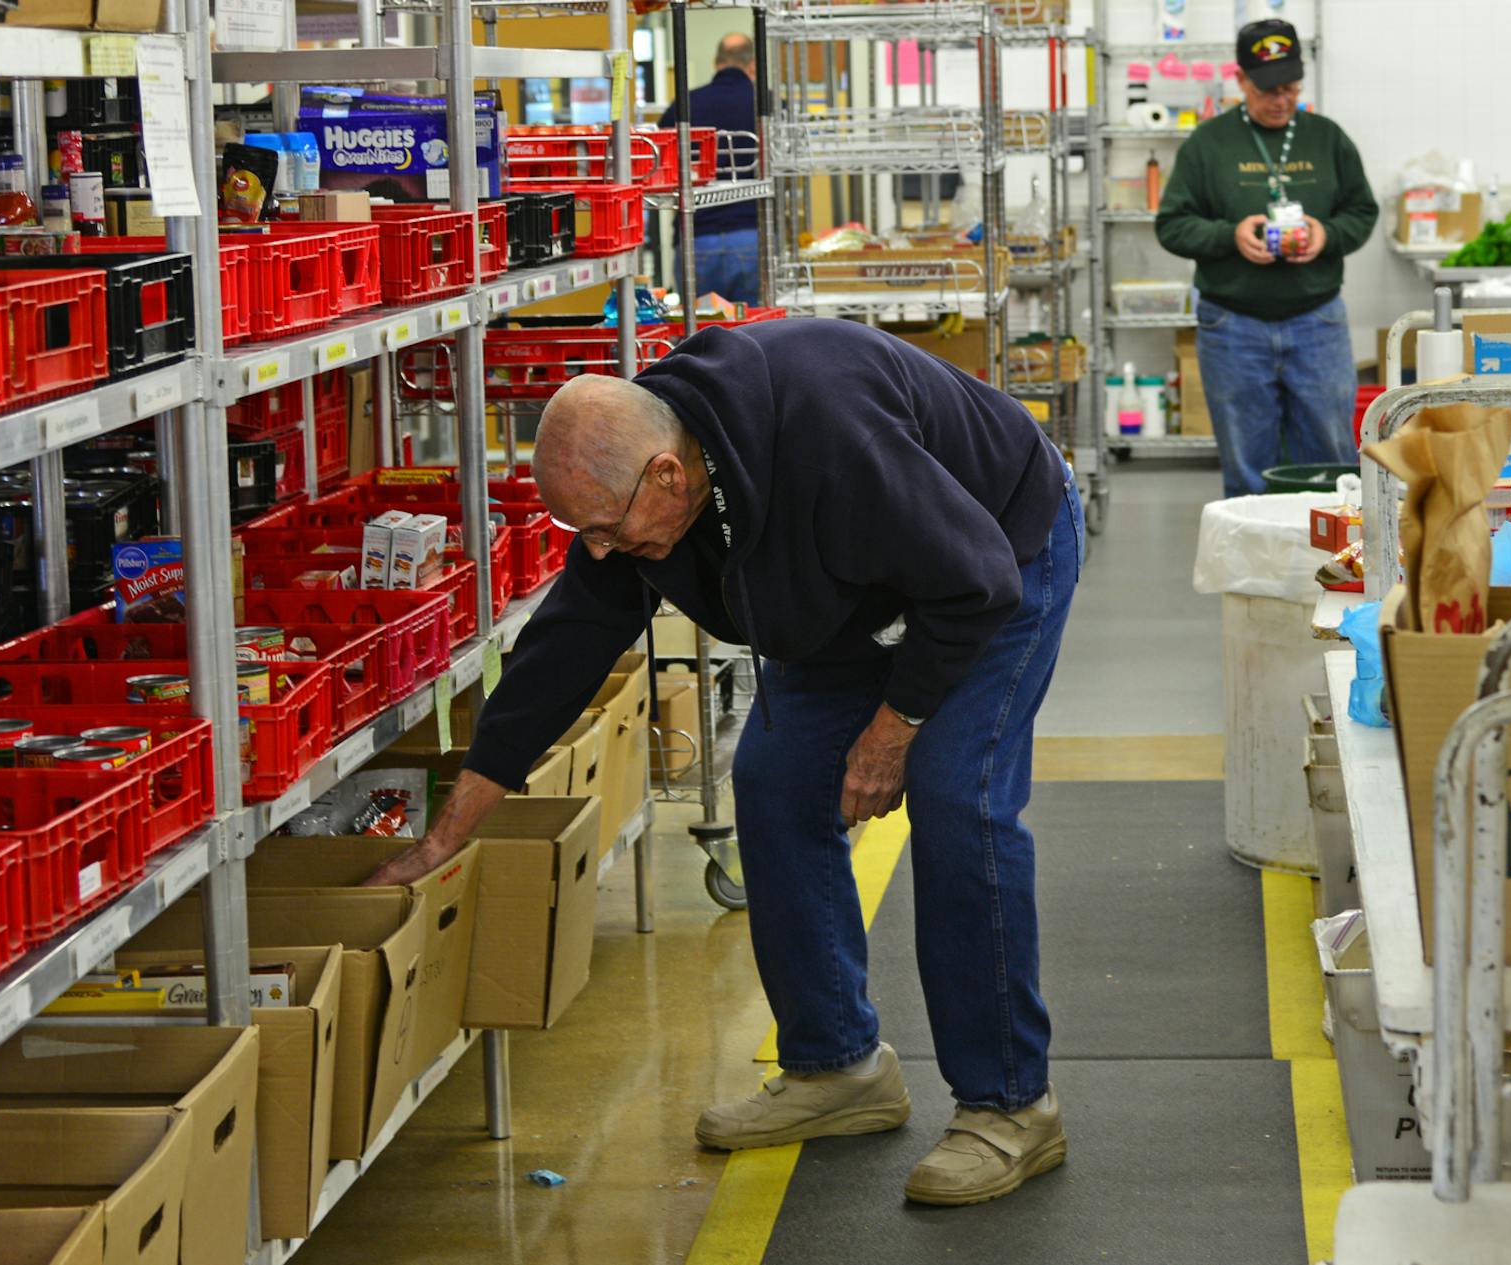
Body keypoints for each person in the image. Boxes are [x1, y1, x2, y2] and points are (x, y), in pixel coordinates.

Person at [367, 320, 1082, 1207]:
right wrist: (457, 819)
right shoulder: (637, 484)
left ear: (669, 475)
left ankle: (1012, 1105)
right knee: (776, 783)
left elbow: (971, 580)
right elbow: (566, 644)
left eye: (607, 528)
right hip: (848, 586)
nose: (599, 550)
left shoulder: (830, 439)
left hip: (997, 554)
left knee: (956, 799)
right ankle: (840, 1068)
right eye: (582, 532)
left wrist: (893, 729)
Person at [1154, 17, 1377, 499]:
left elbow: (1362, 210)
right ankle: (1256, 570)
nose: (1280, 100)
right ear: (1240, 80)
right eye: (1267, 89)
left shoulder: (1327, 139)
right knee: (1247, 467)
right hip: (1233, 328)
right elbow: (1171, 225)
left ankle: (1331, 567)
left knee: (1332, 462)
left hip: (1317, 322)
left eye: (1290, 87)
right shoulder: (1207, 145)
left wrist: (1327, 232)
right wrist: (1229, 236)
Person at [659, 32, 762, 304]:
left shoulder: (683, 105)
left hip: (697, 238)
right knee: (753, 335)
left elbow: (658, 165)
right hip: (750, 238)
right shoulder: (766, 104)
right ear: (752, 66)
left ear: (717, 63)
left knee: (701, 339)